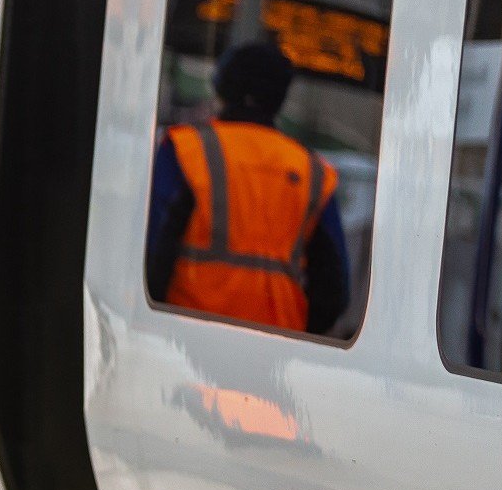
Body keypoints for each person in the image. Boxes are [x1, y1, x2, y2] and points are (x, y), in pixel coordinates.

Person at [146, 39, 351, 335]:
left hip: (187, 339)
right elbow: (334, 293)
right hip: (276, 352)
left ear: (222, 88)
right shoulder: (313, 173)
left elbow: (154, 254)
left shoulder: (186, 151)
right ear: (279, 98)